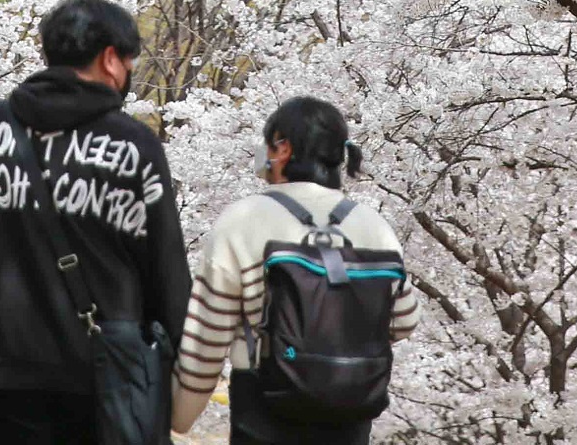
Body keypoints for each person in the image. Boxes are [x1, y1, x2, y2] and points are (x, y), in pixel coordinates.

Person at [0, 0, 190, 445]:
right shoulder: (134, 146)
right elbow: (167, 272)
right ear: (109, 59)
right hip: (102, 385)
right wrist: (181, 373)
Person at [171, 96, 421, 445]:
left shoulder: (243, 219)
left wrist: (179, 416)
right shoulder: (374, 225)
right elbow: (404, 320)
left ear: (283, 148)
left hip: (266, 411)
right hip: (350, 413)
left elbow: (207, 337)